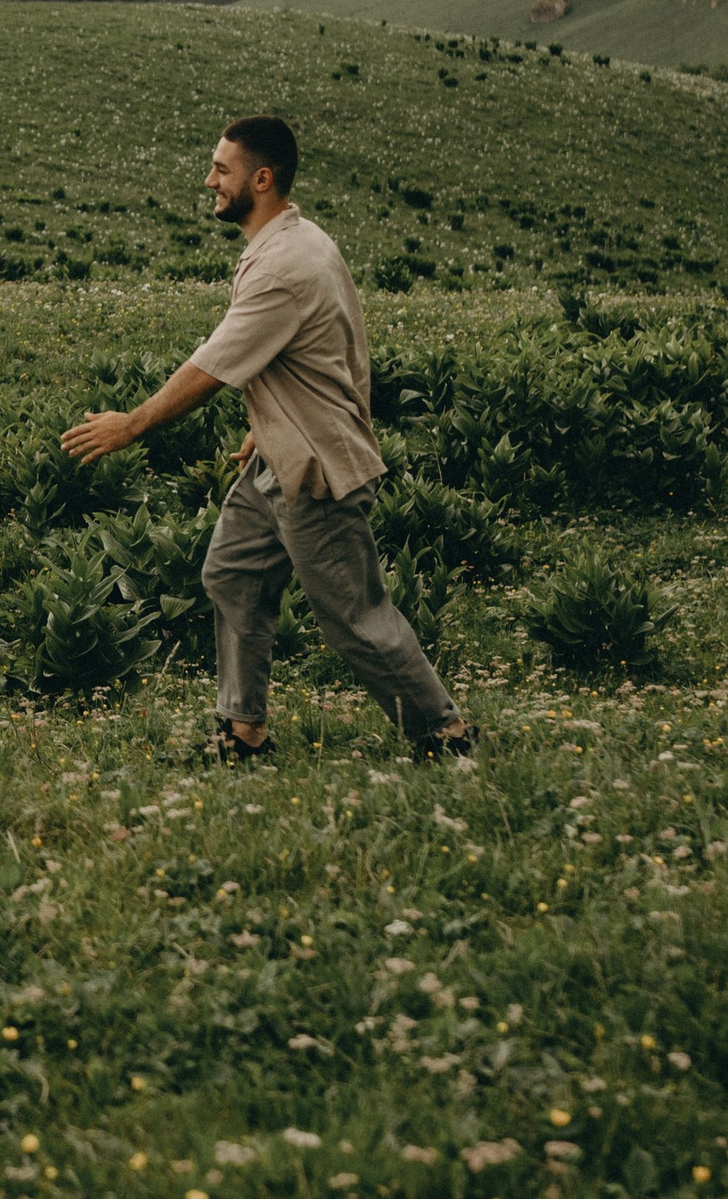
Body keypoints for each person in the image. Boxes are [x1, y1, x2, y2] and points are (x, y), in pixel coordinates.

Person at [61, 113, 475, 763]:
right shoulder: (301, 240)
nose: (210, 181)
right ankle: (243, 731)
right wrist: (266, 423)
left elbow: (212, 366)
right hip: (278, 456)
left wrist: (133, 424)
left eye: (222, 170)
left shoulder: (284, 266)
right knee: (232, 572)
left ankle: (445, 734)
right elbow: (321, 353)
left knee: (354, 618)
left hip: (314, 469)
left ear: (262, 177)